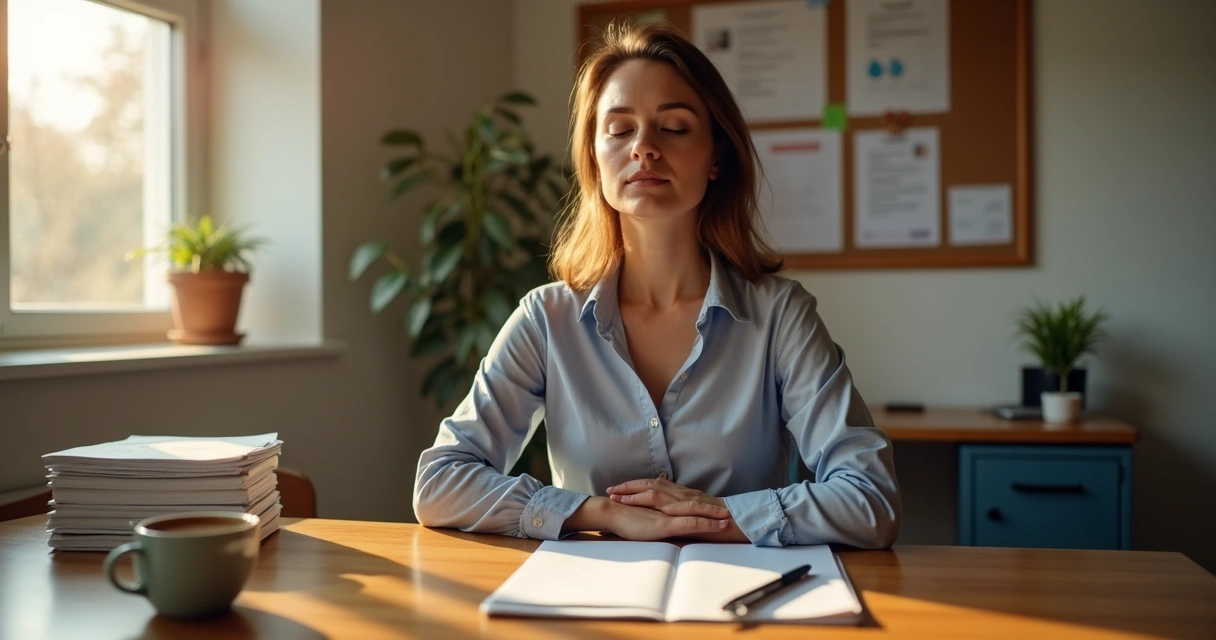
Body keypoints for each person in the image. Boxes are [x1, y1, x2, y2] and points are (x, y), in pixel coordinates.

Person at [413, 22, 900, 548]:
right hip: (590, 611)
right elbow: (440, 483)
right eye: (620, 130)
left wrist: (714, 517)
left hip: (741, 604)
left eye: (674, 127)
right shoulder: (546, 319)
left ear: (717, 156)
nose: (644, 148)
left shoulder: (781, 316)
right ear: (594, 161)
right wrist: (597, 512)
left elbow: (869, 497)